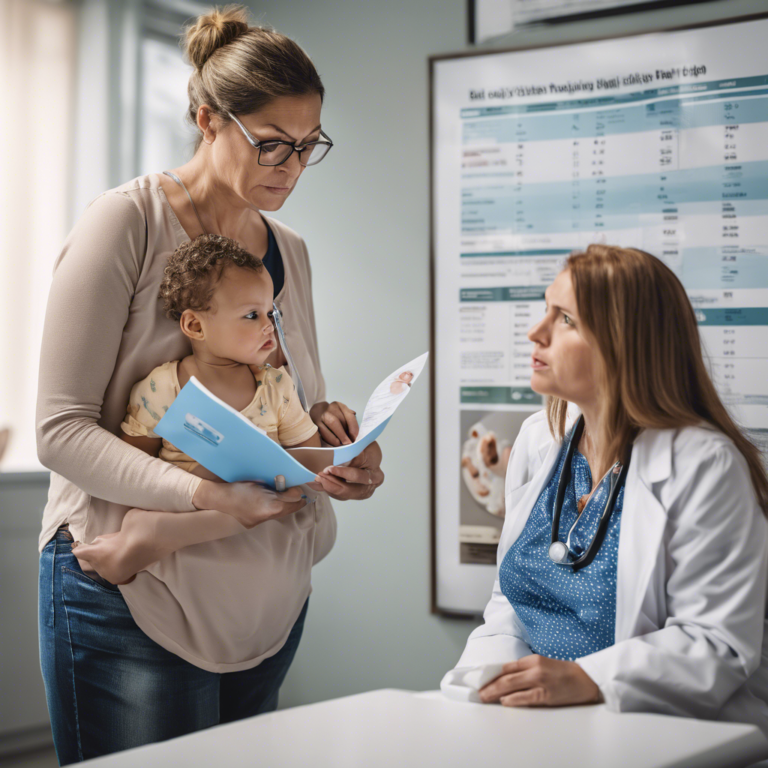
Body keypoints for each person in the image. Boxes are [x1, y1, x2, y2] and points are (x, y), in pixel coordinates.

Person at [36, 7, 384, 764]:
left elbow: (287, 399)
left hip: (265, 598)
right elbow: (60, 431)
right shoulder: (124, 224)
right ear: (205, 119)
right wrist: (203, 496)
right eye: (270, 145)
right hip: (132, 599)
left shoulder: (287, 249)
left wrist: (335, 440)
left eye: (307, 146)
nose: (289, 168)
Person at [443, 244, 768, 736]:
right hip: (537, 725)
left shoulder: (705, 465)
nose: (536, 332)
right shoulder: (540, 440)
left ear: (625, 344)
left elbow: (714, 644)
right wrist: (488, 684)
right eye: (544, 310)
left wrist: (585, 680)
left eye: (566, 319)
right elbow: (512, 603)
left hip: (656, 729)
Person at [70, 234, 334, 586]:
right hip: (182, 504)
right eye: (252, 315)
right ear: (195, 326)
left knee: (291, 495)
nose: (268, 326)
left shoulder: (276, 387)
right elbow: (134, 467)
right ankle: (153, 529)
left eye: (270, 313)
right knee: (253, 494)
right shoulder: (162, 389)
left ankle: (159, 532)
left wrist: (351, 454)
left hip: (254, 537)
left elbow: (311, 461)